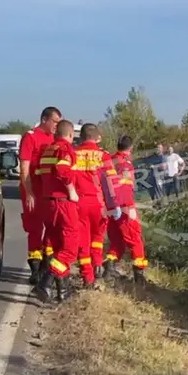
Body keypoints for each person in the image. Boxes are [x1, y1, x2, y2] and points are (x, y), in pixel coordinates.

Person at [35, 119, 80, 304]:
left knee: (58, 247)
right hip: (63, 202)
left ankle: (63, 291)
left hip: (48, 204)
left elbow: (39, 175)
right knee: (70, 249)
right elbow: (62, 170)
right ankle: (45, 282)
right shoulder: (65, 149)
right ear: (70, 135)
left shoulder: (47, 150)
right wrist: (72, 191)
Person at [73, 123, 119, 289]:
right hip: (99, 204)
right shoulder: (104, 155)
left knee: (82, 241)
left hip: (78, 203)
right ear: (95, 137)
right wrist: (114, 205)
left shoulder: (73, 154)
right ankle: (98, 264)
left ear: (82, 136)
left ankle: (87, 277)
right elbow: (110, 183)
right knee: (98, 238)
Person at [19, 106, 61, 283]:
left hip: (48, 192)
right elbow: (24, 168)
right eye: (54, 122)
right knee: (35, 229)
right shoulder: (30, 137)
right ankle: (35, 269)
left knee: (52, 227)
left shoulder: (54, 139)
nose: (56, 126)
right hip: (34, 191)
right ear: (44, 119)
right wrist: (29, 193)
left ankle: (46, 263)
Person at [104, 135, 148, 284]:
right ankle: (139, 275)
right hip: (124, 207)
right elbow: (124, 187)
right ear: (131, 148)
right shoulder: (125, 164)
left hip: (110, 208)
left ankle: (109, 268)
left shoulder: (109, 160)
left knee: (117, 241)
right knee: (136, 239)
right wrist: (129, 208)